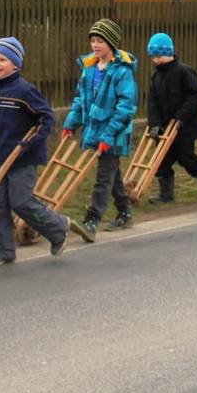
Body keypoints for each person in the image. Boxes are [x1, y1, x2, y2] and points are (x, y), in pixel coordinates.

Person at [0, 36, 79, 267]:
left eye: (2, 59)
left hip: (23, 157)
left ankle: (58, 227)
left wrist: (30, 143)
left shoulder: (25, 90)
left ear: (16, 63)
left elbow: (46, 117)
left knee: (21, 201)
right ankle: (3, 251)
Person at [62, 19, 138, 238]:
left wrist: (109, 135)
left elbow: (126, 107)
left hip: (114, 133)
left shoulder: (121, 73)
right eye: (93, 40)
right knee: (112, 176)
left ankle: (92, 219)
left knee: (103, 177)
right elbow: (80, 100)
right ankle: (125, 212)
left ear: (111, 43)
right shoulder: (89, 69)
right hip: (95, 130)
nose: (95, 45)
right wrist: (70, 123)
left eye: (101, 41)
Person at [144, 32, 197, 204]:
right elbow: (152, 102)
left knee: (185, 157)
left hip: (184, 126)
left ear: (169, 53)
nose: (156, 60)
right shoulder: (156, 77)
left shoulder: (184, 72)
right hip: (164, 126)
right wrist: (154, 123)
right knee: (161, 160)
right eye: (153, 56)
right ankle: (166, 194)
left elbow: (195, 95)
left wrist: (181, 116)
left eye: (159, 56)